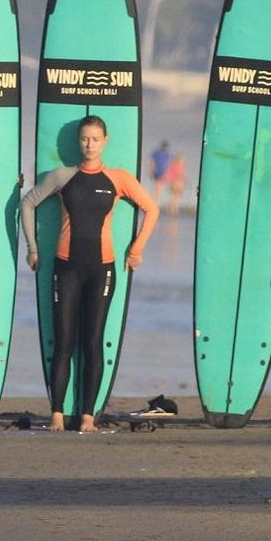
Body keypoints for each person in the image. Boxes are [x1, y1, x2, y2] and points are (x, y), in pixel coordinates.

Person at [21, 115, 160, 433]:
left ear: (105, 141)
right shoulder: (62, 176)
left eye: (95, 139)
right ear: (78, 141)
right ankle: (57, 413)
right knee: (64, 341)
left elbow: (152, 209)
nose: (89, 144)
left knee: (93, 342)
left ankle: (86, 416)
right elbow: (28, 203)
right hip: (65, 267)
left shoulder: (118, 178)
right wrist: (32, 247)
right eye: (84, 138)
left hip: (102, 269)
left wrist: (136, 249)